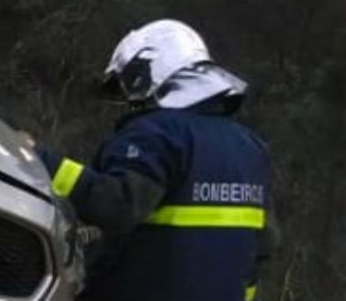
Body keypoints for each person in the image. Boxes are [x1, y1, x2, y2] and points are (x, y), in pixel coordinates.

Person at [38, 20, 275, 301]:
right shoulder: (251, 147)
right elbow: (264, 244)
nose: (129, 100)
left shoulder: (158, 133)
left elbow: (117, 205)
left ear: (151, 71)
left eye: (129, 83)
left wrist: (40, 162)